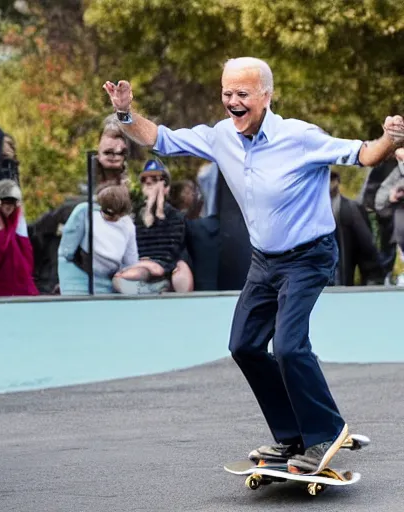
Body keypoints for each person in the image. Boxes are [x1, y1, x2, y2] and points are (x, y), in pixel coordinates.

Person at [103, 57, 404, 474]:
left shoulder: (301, 137)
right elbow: (159, 138)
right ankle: (292, 436)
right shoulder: (220, 136)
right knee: (243, 345)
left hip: (309, 256)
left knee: (288, 346)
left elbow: (366, 155)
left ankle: (325, 432)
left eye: (242, 94)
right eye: (227, 94)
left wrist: (389, 139)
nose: (232, 102)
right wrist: (124, 113)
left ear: (266, 95)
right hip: (265, 262)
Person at [113, 159, 194, 294]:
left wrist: (158, 209)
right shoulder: (135, 217)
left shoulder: (175, 216)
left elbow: (170, 249)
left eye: (155, 179)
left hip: (165, 268)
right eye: (145, 180)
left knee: (182, 276)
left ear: (165, 187)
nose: (149, 183)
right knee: (121, 278)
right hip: (142, 266)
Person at [58, 183, 138, 295]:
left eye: (116, 215)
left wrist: (122, 277)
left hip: (107, 283)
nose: (111, 217)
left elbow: (130, 261)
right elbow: (67, 251)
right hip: (77, 277)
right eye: (107, 212)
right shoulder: (84, 211)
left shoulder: (128, 224)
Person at [329, 171, 383, 286]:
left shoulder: (349, 210)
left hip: (339, 286)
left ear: (336, 181)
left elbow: (368, 252)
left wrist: (372, 284)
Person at [374, 148, 404, 285]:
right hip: (387, 212)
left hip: (393, 211)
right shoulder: (392, 170)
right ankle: (385, 276)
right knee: (388, 250)